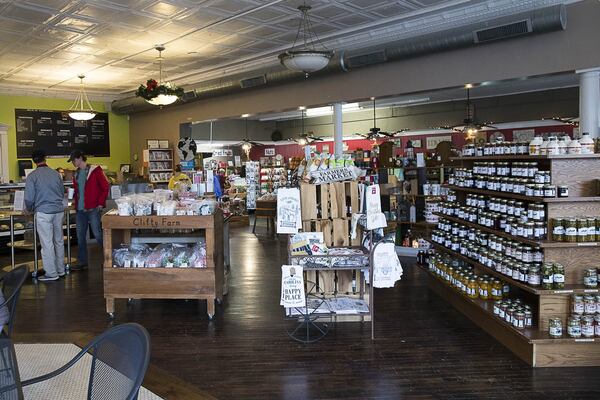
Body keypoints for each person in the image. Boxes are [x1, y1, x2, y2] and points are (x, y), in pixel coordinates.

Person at [24, 150, 66, 282]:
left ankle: (52, 273)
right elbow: (61, 192)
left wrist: (30, 209)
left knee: (47, 243)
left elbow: (29, 198)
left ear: (33, 161)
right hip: (58, 211)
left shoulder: (32, 176)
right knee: (58, 241)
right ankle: (61, 270)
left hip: (43, 212)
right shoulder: (56, 174)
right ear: (45, 158)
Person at [68, 149, 109, 271]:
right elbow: (78, 191)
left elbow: (105, 187)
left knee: (98, 235)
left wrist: (101, 203)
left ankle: (109, 259)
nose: (73, 163)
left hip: (93, 208)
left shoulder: (95, 170)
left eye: (74, 160)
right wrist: (71, 197)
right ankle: (82, 262)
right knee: (80, 236)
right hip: (80, 209)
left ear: (80, 158)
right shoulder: (76, 174)